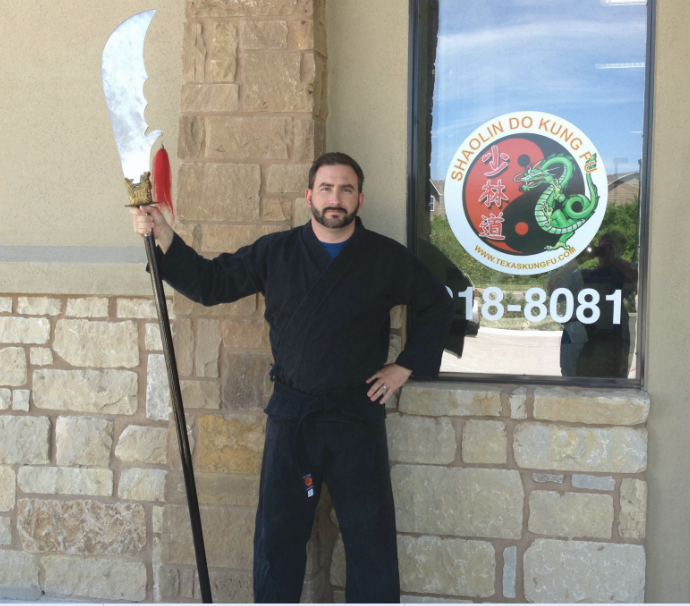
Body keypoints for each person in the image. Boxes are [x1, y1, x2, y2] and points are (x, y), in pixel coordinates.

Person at [131, 152, 454, 603]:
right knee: (278, 537)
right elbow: (211, 284)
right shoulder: (276, 251)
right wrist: (164, 235)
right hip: (293, 413)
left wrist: (404, 365)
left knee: (369, 538)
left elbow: (438, 303)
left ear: (360, 198)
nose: (335, 198)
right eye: (326, 188)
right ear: (309, 196)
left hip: (355, 414)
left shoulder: (384, 257)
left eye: (345, 189)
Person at [547, 230, 637, 378]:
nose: (605, 253)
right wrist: (577, 258)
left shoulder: (624, 277)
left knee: (614, 386)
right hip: (579, 341)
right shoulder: (582, 276)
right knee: (574, 385)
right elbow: (553, 290)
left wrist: (616, 260)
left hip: (613, 343)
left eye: (612, 248)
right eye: (602, 248)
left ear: (621, 252)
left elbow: (640, 281)